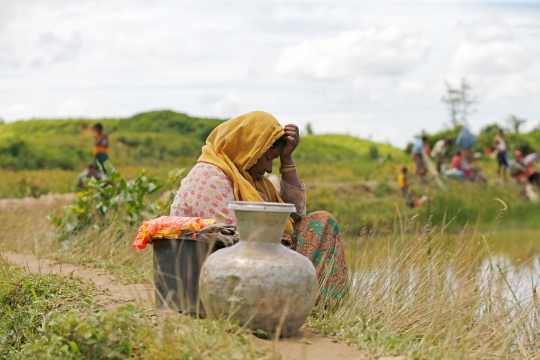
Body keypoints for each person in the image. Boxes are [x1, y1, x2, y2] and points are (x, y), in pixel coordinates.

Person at [170, 111, 347, 299]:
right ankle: (293, 300)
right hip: (210, 270)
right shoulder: (208, 176)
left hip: (245, 261)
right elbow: (235, 238)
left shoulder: (250, 179)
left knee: (321, 221)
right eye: (268, 158)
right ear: (250, 150)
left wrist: (287, 159)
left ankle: (312, 304)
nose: (269, 168)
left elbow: (295, 215)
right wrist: (285, 245)